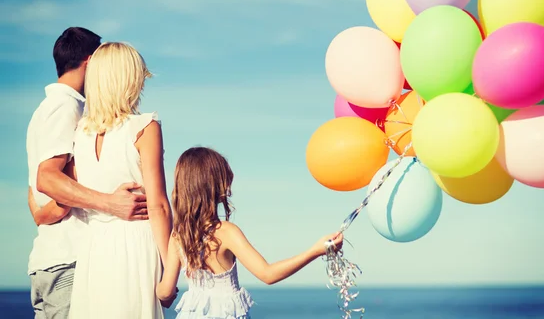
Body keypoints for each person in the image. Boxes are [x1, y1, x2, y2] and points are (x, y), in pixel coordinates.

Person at [26, 28, 149, 318]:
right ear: (91, 61)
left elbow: (36, 186)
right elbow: (47, 178)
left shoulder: (45, 109)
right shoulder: (66, 106)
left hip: (51, 260)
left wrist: (45, 213)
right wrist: (110, 202)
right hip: (68, 260)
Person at [156, 147, 344, 319]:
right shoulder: (226, 232)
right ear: (212, 187)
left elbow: (164, 292)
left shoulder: (178, 236)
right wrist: (315, 250)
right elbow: (268, 274)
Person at [67, 42, 172, 319]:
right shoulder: (145, 127)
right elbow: (158, 205)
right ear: (129, 80)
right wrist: (169, 266)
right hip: (134, 244)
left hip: (93, 247)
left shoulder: (80, 132)